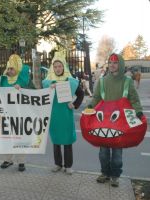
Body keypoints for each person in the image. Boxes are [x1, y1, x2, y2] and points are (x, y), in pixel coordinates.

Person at [88, 53, 144, 187]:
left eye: (115, 62)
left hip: (120, 125)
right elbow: (96, 98)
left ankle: (115, 176)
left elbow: (134, 99)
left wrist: (139, 111)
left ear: (120, 65)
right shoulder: (102, 81)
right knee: (103, 153)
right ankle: (105, 173)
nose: (112, 65)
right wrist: (90, 106)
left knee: (117, 155)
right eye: (110, 62)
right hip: (104, 124)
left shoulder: (127, 81)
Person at [42, 52, 84, 175]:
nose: (57, 69)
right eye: (55, 67)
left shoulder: (71, 82)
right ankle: (58, 164)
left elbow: (81, 94)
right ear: (52, 68)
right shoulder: (47, 82)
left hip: (66, 115)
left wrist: (75, 104)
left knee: (67, 141)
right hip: (54, 116)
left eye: (60, 66)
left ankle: (68, 166)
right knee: (56, 141)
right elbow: (40, 95)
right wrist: (50, 88)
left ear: (64, 67)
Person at [0, 54, 35, 172]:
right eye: (9, 68)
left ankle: (21, 161)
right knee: (7, 137)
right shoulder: (3, 79)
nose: (10, 71)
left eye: (12, 68)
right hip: (6, 114)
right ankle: (8, 159)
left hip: (21, 114)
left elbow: (34, 93)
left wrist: (22, 88)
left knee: (20, 137)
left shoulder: (25, 80)